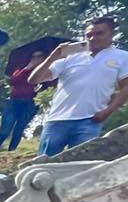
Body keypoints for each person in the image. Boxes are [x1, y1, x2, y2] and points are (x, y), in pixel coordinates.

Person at [31, 16, 128, 156]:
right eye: (89, 35)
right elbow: (34, 79)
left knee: (80, 165)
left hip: (90, 119)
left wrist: (108, 111)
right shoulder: (72, 56)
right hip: (57, 119)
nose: (93, 38)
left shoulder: (122, 57)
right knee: (42, 164)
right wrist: (53, 56)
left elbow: (126, 87)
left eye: (99, 33)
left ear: (112, 33)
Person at [0, 50, 48, 152]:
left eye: (40, 57)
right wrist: (28, 68)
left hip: (30, 103)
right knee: (5, 129)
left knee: (19, 128)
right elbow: (13, 81)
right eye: (34, 57)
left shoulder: (46, 73)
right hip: (14, 101)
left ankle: (11, 151)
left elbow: (46, 87)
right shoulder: (21, 70)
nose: (36, 59)